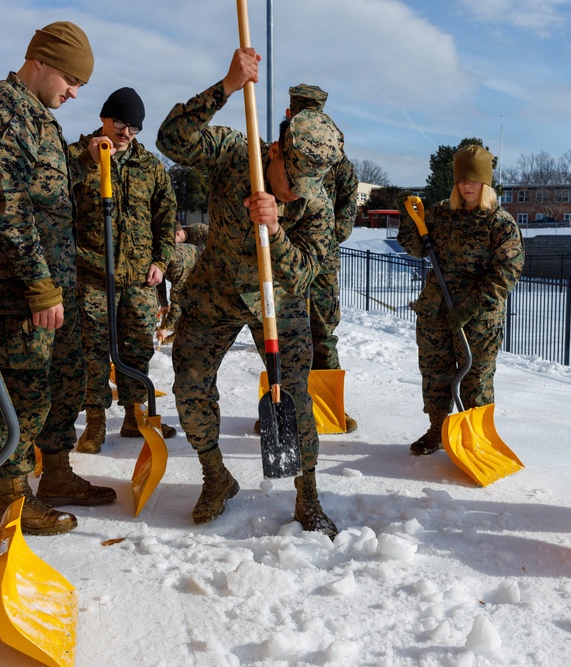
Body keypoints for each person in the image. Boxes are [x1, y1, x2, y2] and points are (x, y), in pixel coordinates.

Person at [156, 47, 341, 537]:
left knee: (296, 396)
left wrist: (277, 230)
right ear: (275, 151)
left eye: (308, 185)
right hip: (214, 293)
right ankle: (216, 477)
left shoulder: (313, 202)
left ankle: (309, 497)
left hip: (277, 306)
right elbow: (171, 140)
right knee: (190, 383)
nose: (297, 192)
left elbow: (302, 276)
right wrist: (227, 86)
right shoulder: (238, 154)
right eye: (291, 180)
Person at [0, 21, 116, 536]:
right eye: (71, 81)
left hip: (54, 284)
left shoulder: (37, 115)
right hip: (19, 290)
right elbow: (9, 207)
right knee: (23, 393)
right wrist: (39, 286)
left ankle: (57, 475)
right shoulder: (2, 113)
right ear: (42, 61)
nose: (73, 93)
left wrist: (82, 158)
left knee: (63, 383)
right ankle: (14, 499)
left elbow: (45, 184)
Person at [69, 87, 178, 454]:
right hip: (92, 275)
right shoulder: (77, 158)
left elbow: (166, 218)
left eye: (134, 127)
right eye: (120, 123)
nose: (126, 133)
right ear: (104, 117)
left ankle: (135, 415)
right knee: (93, 351)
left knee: (137, 349)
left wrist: (161, 260)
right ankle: (96, 421)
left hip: (139, 279)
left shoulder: (150, 167)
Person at [396, 145, 524, 455]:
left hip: (478, 316)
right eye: (462, 180)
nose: (467, 186)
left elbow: (507, 271)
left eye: (474, 180)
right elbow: (414, 248)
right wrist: (410, 220)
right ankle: (437, 429)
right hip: (436, 307)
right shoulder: (440, 212)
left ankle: (475, 436)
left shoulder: (499, 222)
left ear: (486, 182)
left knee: (475, 377)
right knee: (435, 372)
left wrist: (470, 307)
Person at [253, 84, 360, 434]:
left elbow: (348, 206)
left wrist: (329, 234)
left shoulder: (338, 161)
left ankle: (330, 411)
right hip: (280, 254)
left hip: (322, 258)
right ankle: (279, 409)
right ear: (290, 115)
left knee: (324, 331)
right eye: (299, 114)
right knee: (279, 334)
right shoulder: (279, 152)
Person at [158, 221, 209, 340]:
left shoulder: (199, 231)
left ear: (177, 234)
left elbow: (177, 300)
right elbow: (159, 280)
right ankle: (179, 332)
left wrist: (164, 327)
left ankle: (186, 334)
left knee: (188, 301)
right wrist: (164, 304)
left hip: (206, 271)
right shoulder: (162, 256)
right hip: (191, 270)